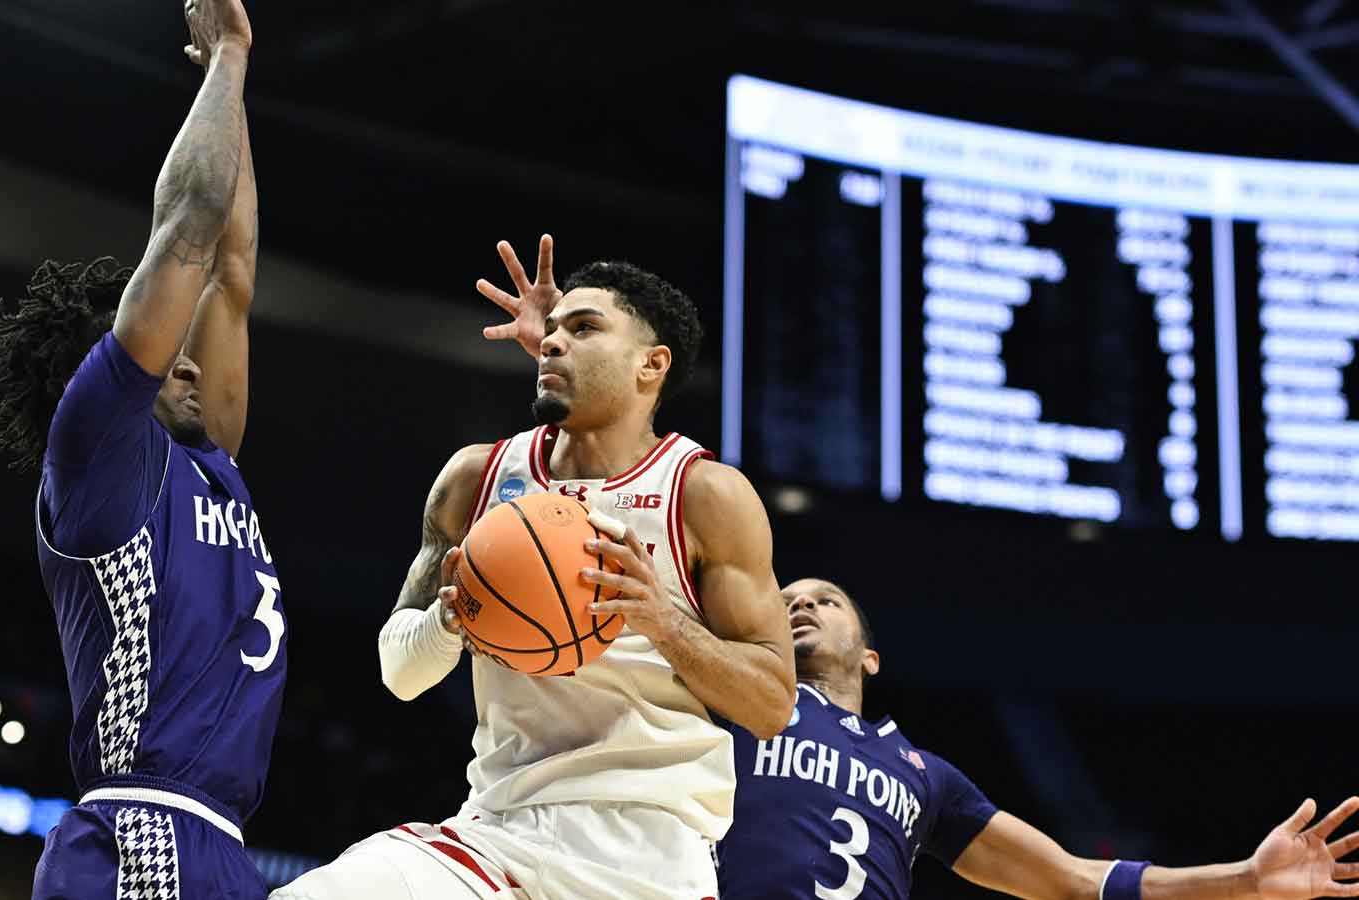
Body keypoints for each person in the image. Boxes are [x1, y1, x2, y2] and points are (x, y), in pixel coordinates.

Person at [274, 237, 797, 900]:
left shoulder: (704, 495)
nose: (552, 343)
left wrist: (663, 621)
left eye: (584, 329)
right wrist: (449, 617)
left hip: (648, 858)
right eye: (551, 331)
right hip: (498, 836)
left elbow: (773, 704)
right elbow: (399, 674)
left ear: (651, 365)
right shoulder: (476, 479)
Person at [0, 2, 280, 896]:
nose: (187, 358)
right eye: (162, 348)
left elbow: (233, 267)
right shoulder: (98, 451)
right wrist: (230, 61)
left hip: (221, 843)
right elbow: (188, 223)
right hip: (141, 830)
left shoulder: (210, 454)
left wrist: (235, 76)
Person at [717, 578, 1359, 900]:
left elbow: (1075, 879)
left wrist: (1243, 879)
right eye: (786, 601)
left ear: (871, 657)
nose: (799, 605)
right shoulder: (729, 706)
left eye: (825, 601)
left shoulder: (924, 774)